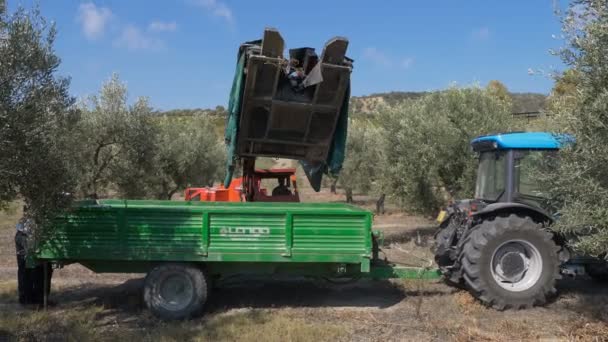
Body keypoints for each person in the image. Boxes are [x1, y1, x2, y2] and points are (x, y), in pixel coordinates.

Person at [15, 206, 52, 307]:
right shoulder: (34, 211)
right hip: (25, 236)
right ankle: (26, 299)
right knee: (27, 268)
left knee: (44, 268)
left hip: (35, 236)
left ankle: (40, 299)